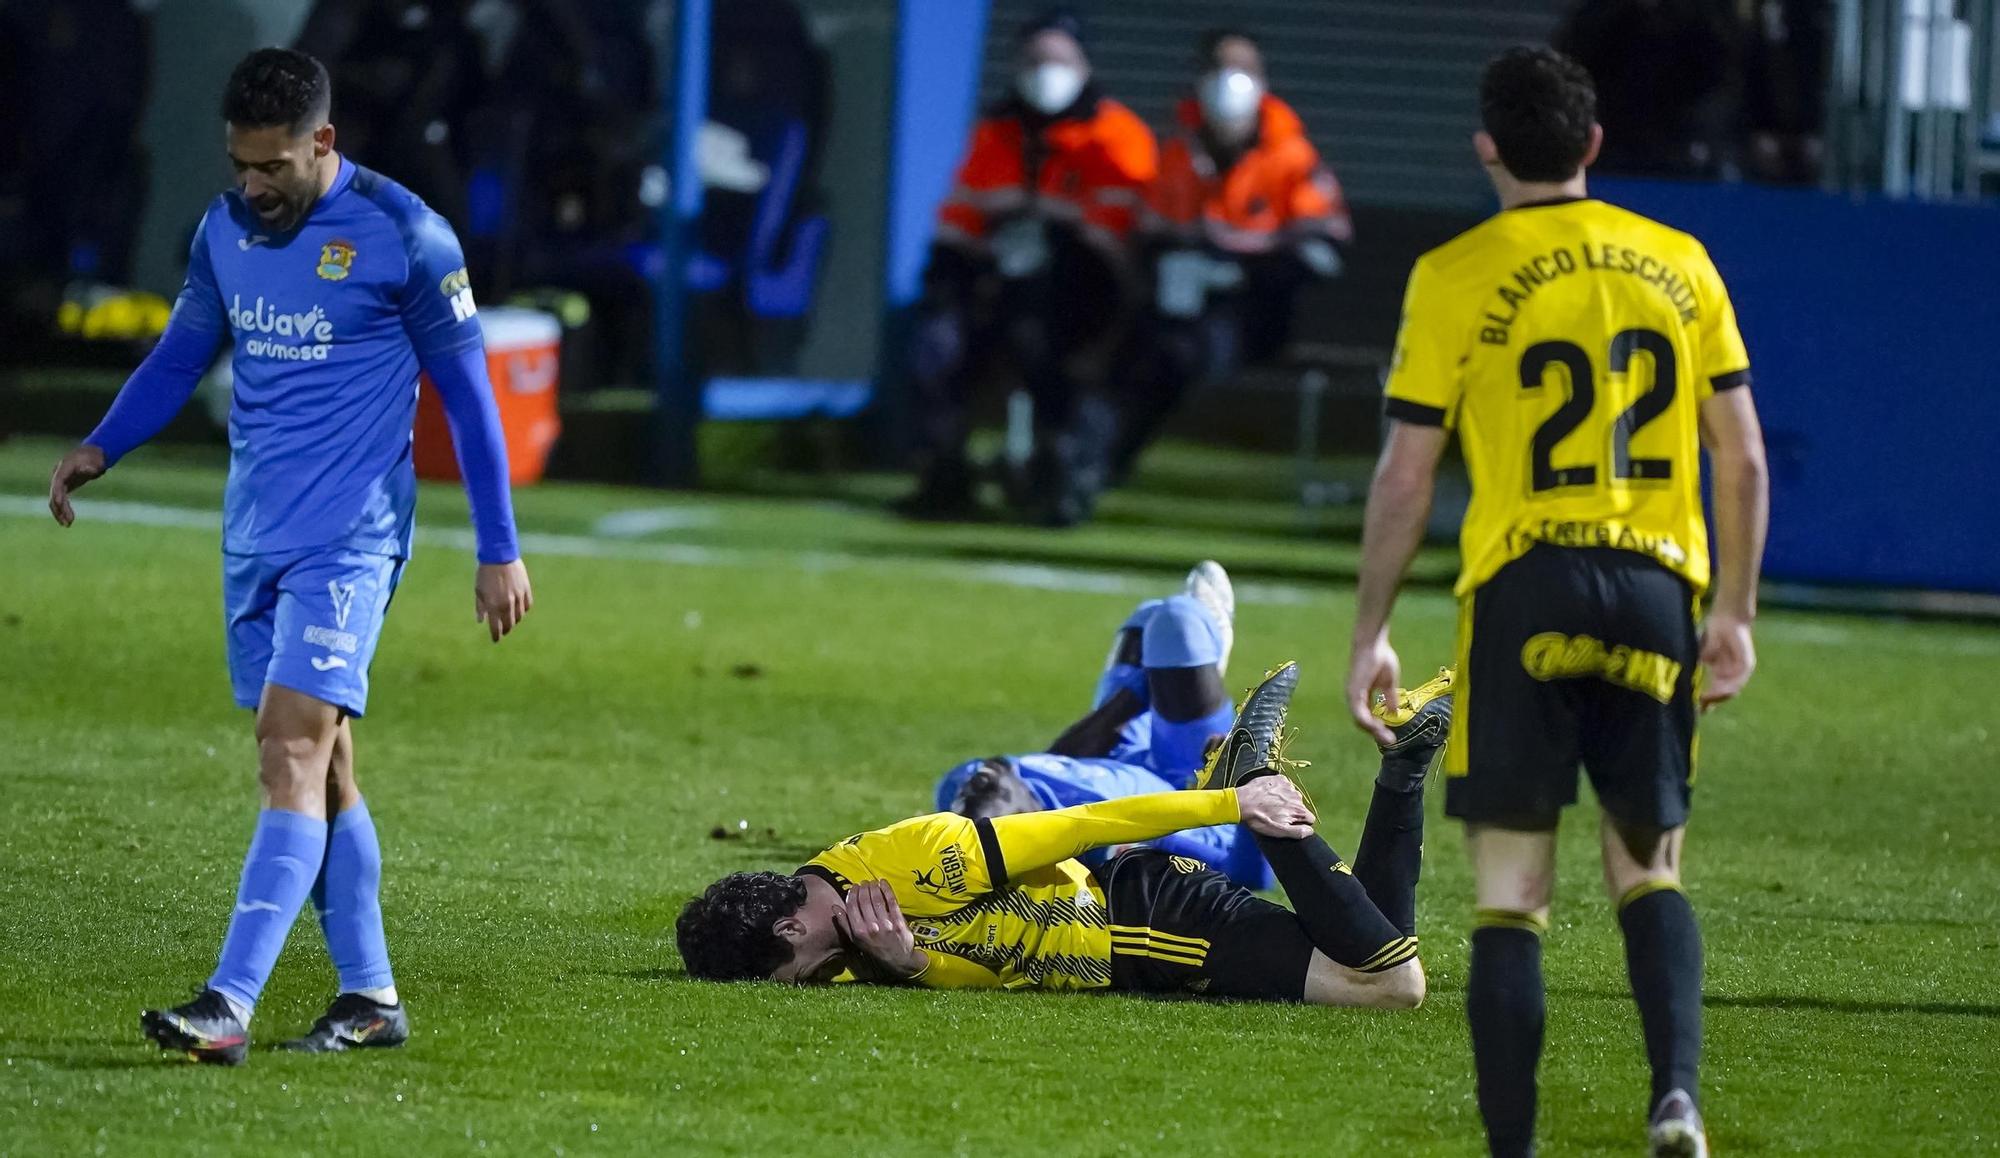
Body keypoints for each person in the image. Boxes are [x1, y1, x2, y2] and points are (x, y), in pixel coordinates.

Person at [45, 48, 535, 1064]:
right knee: (327, 770)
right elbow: (184, 351)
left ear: (324, 142)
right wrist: (104, 442)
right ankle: (371, 998)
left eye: (272, 166)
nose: (253, 186)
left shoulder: (405, 236)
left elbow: (471, 400)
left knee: (289, 750)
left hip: (349, 541)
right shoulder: (225, 230)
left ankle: (229, 1002)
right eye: (241, 165)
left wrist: (499, 549)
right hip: (254, 534)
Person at [1344, 46, 1768, 1158]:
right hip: (1654, 585)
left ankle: (1511, 1149)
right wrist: (1732, 612)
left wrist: (1369, 631)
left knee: (1509, 893)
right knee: (1646, 867)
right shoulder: (1678, 261)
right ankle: (1673, 1097)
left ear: (1486, 146)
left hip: (1522, 586)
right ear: (1590, 144)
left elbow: (1403, 473)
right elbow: (1745, 462)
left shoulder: (1452, 272)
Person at [677, 661, 1449, 1009]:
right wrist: (912, 970)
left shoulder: (920, 859)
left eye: (799, 976)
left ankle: (1246, 778)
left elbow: (1081, 823)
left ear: (790, 924)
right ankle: (1405, 766)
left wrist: (1226, 808)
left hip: (1142, 923)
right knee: (1377, 947)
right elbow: (970, 970)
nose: (818, 985)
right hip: (1139, 939)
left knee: (1390, 982)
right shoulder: (838, 937)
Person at [898, 8, 1157, 526]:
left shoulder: (1117, 136)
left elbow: (1122, 235)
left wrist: (1057, 242)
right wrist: (956, 276)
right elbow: (960, 222)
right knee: (937, 345)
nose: (1046, 70)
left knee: (1060, 358)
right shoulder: (996, 134)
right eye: (1037, 59)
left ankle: (1062, 475)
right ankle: (944, 474)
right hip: (997, 288)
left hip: (1088, 297)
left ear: (1084, 64)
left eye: (1059, 59)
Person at [1115, 27, 1352, 480]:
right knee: (1131, 356)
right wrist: (1169, 266)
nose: (1230, 79)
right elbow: (1150, 232)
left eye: (1243, 68)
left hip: (1254, 315)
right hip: (1176, 309)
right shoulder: (1178, 153)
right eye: (1221, 67)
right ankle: (1079, 467)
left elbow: (1323, 250)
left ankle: (1094, 466)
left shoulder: (1291, 158)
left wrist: (1241, 274)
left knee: (1175, 356)